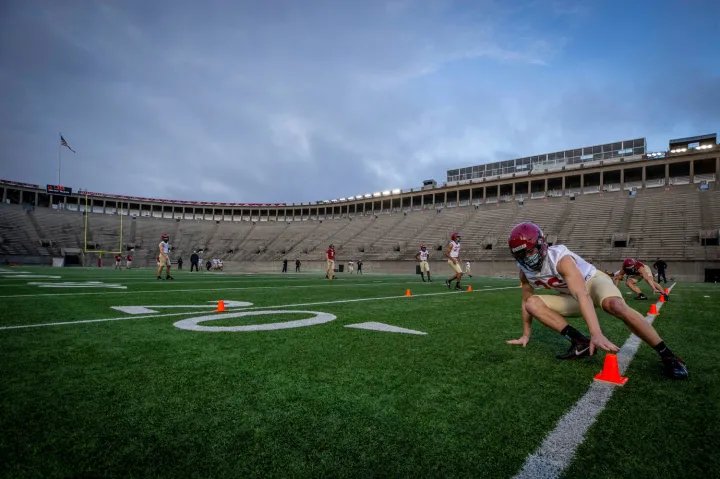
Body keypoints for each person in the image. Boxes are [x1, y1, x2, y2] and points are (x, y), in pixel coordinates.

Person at [505, 222, 686, 379]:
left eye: (530, 252)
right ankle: (580, 343)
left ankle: (668, 355)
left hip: (592, 283)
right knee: (532, 303)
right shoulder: (524, 269)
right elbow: (526, 300)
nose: (527, 259)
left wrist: (596, 333)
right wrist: (526, 334)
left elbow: (583, 294)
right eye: (522, 256)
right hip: (571, 296)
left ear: (542, 244)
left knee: (613, 305)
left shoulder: (559, 258)